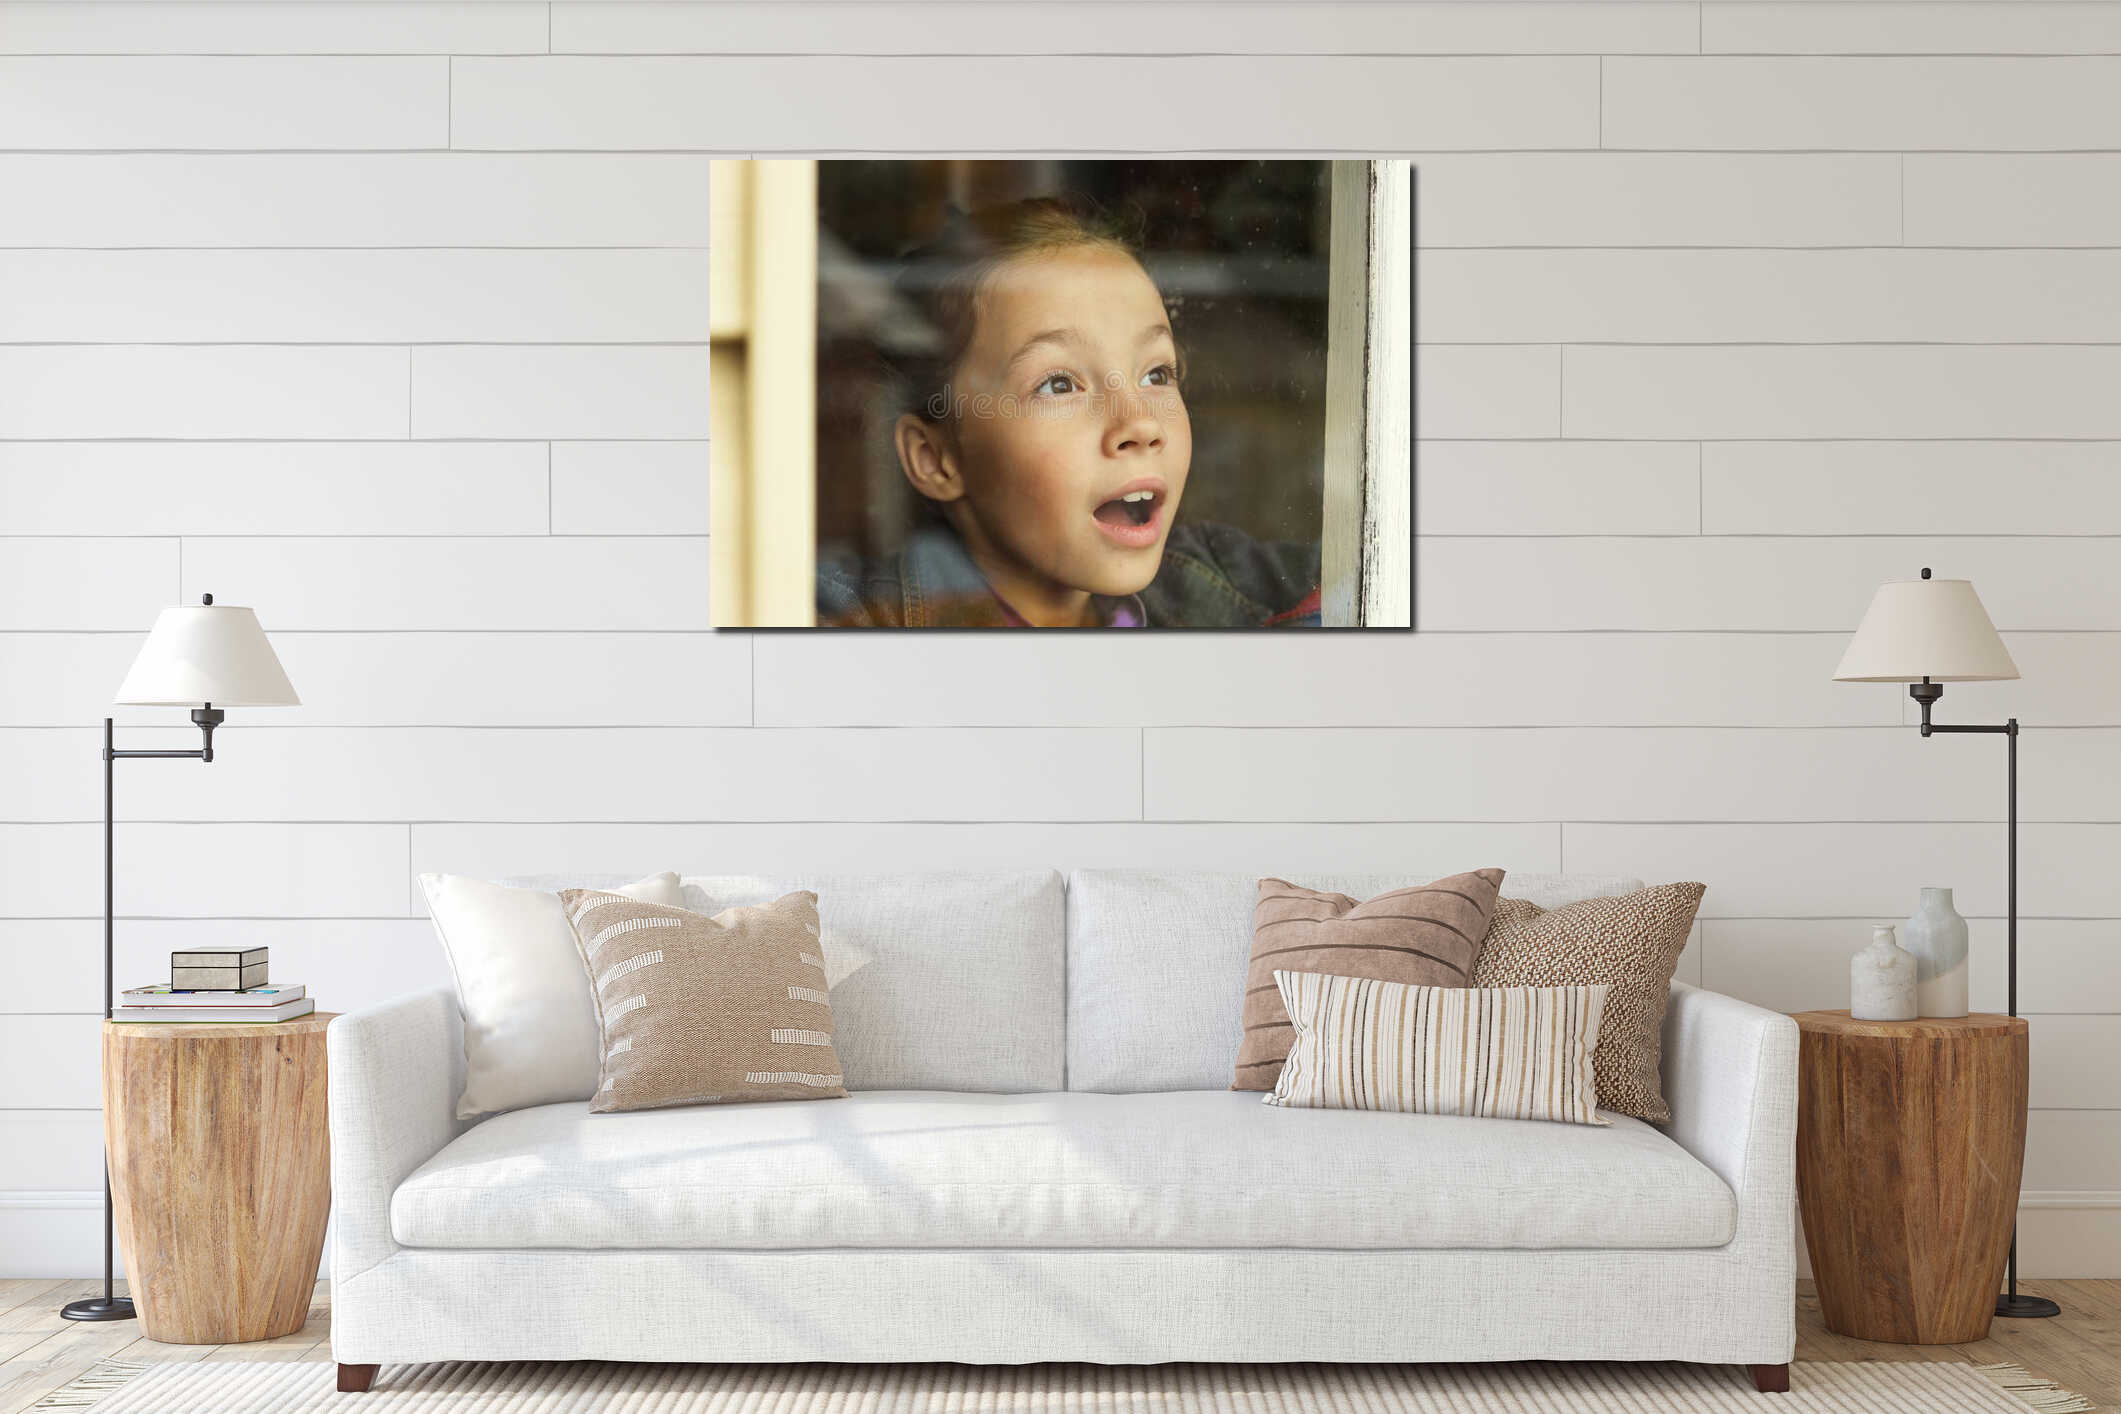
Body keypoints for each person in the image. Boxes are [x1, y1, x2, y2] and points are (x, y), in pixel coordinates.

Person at [816, 197, 1321, 628]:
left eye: (1157, 375)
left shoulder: (1225, 583)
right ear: (936, 458)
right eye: (1060, 384)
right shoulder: (844, 620)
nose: (1139, 424)